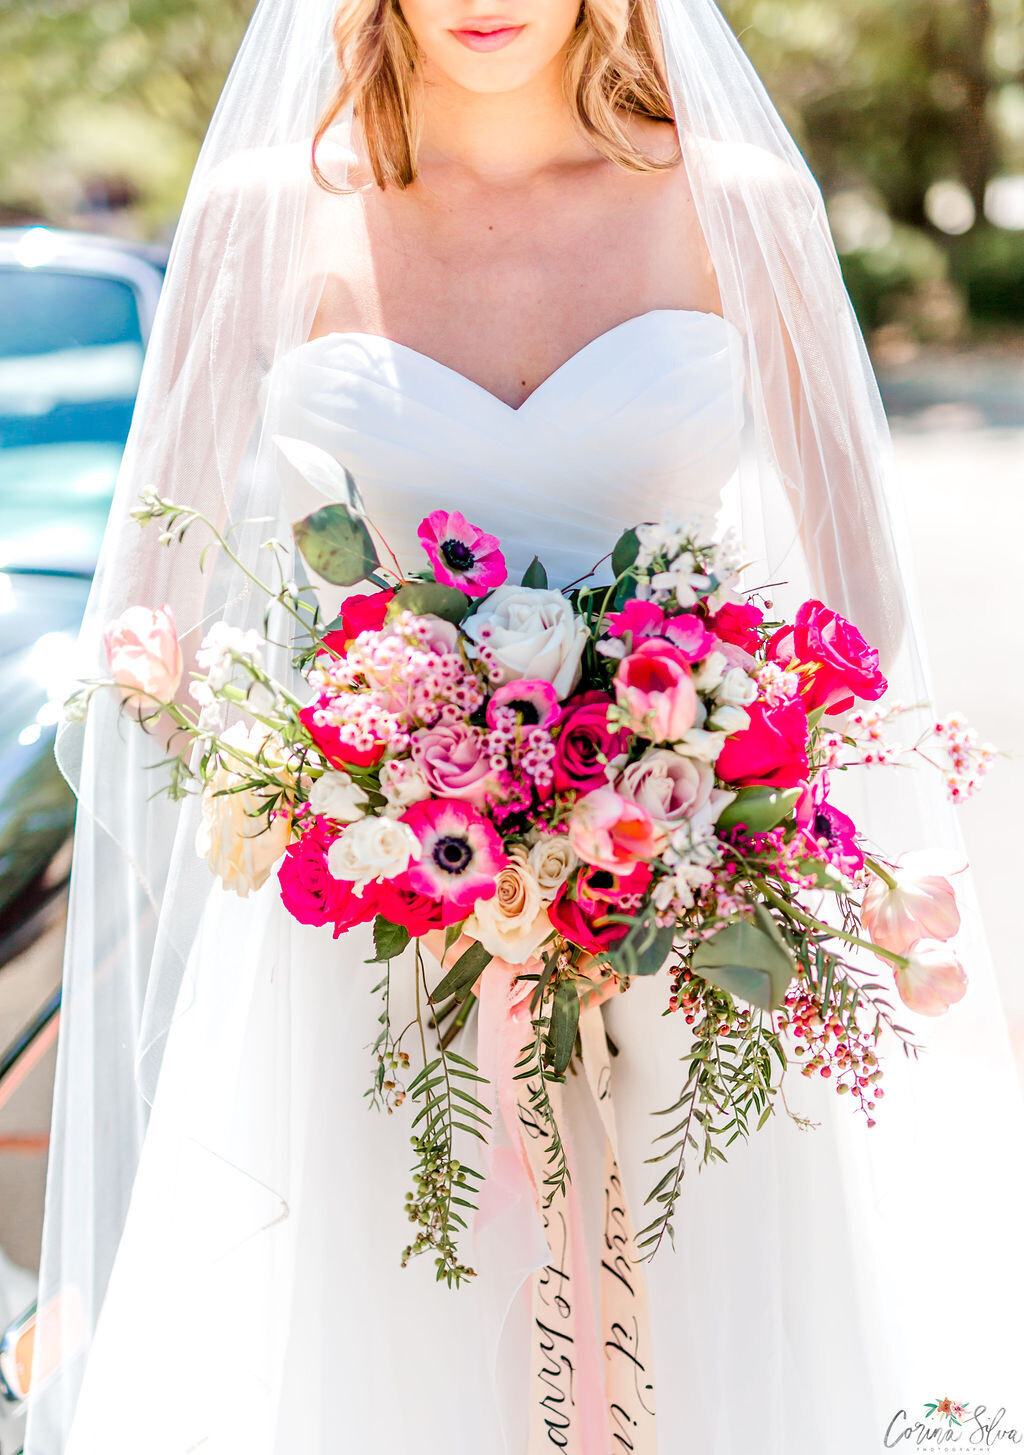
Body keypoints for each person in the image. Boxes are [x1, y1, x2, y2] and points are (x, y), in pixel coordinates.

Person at [27, 3, 1024, 1453]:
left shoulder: (738, 200)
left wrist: (739, 818)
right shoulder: (265, 210)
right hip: (374, 947)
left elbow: (867, 627)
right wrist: (315, 783)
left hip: (704, 922)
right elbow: (143, 642)